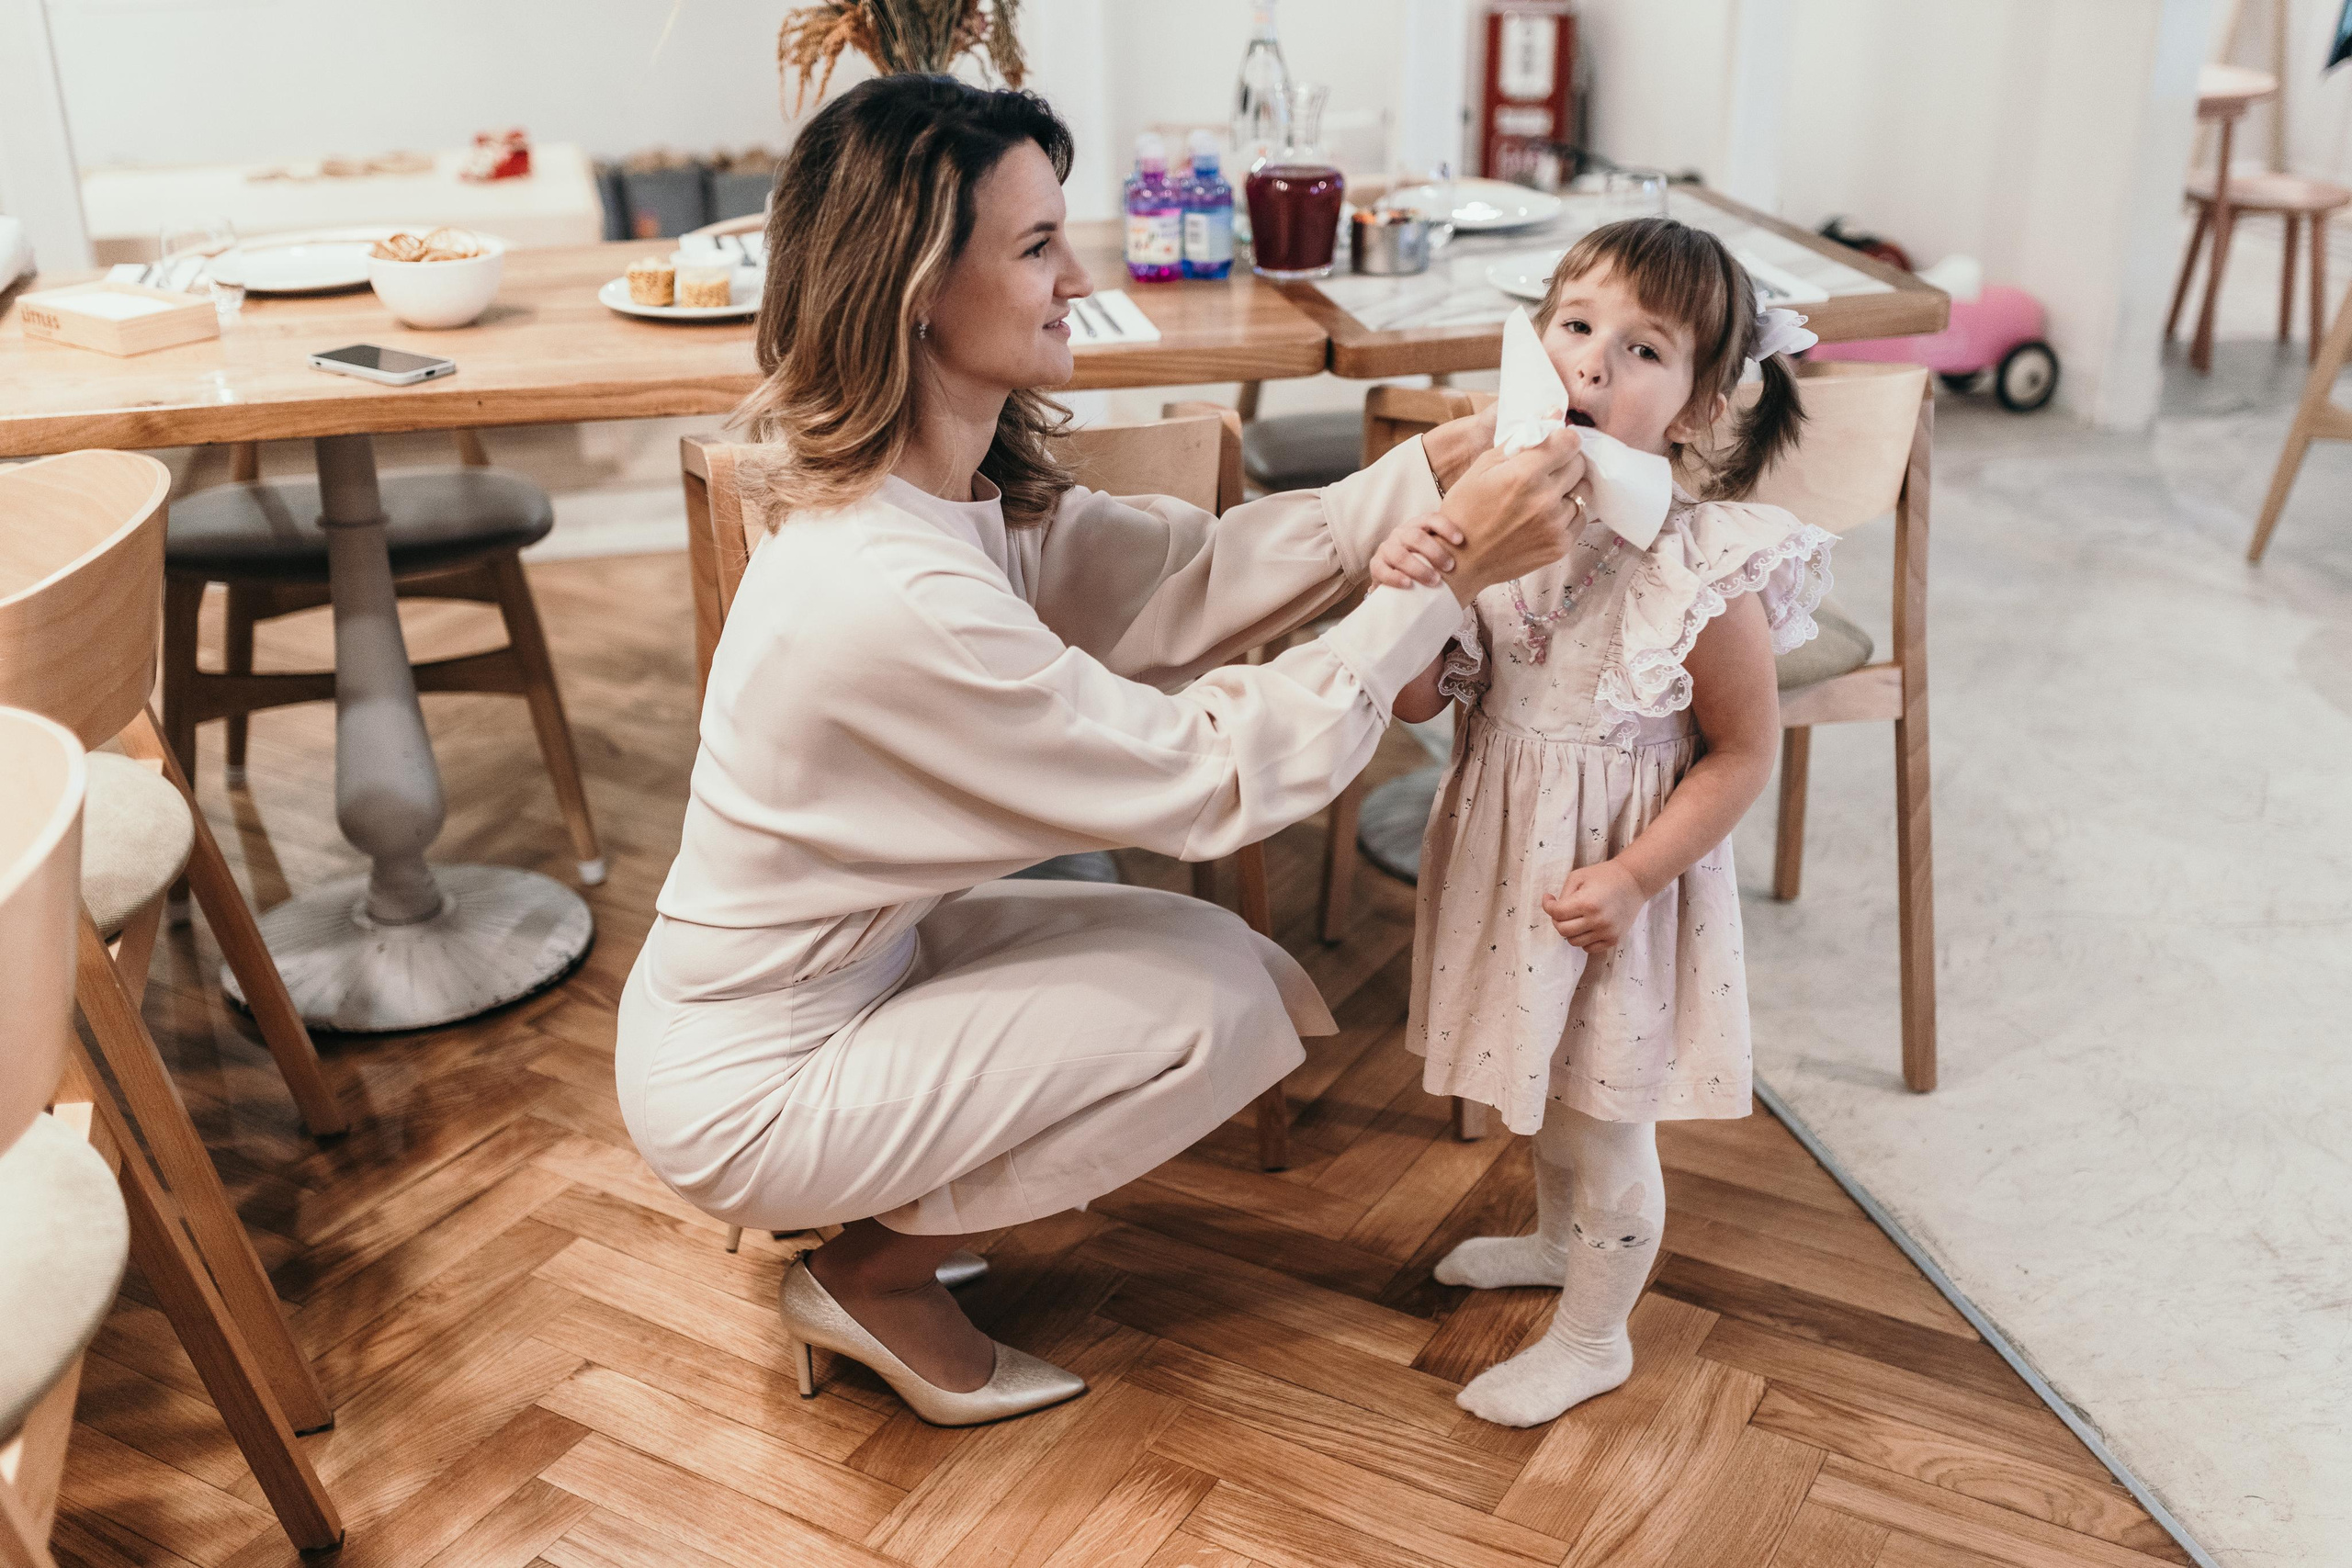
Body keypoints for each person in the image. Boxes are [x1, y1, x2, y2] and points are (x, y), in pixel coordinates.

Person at [613, 73, 1586, 1427]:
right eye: (1035, 246)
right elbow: (1211, 777)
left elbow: (1179, 578)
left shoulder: (942, 500)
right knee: (1217, 1013)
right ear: (913, 292)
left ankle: (883, 1212)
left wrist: (1426, 484)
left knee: (1224, 970)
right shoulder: (886, 592)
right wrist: (1444, 568)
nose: (1078, 275)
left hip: (833, 976)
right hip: (750, 1078)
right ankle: (869, 1274)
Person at [1369, 217, 1835, 1427]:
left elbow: (1744, 754)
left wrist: (1632, 876)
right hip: (1508, 858)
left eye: (1642, 350)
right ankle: (1549, 1235)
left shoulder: (1700, 566)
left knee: (1607, 1109)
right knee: (1551, 1083)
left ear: (1693, 405)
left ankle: (1595, 1336)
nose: (1593, 364)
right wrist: (1429, 574)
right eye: (1576, 328)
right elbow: (1422, 697)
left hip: (1615, 892)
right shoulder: (1498, 520)